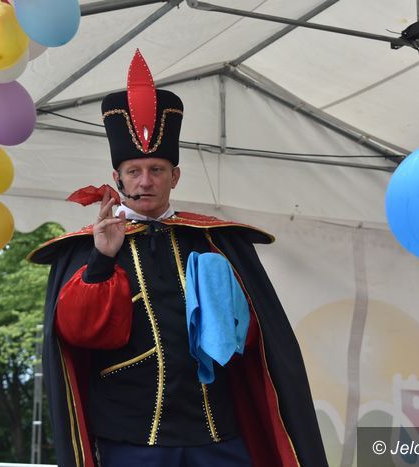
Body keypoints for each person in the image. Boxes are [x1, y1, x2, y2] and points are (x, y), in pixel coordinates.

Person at [28, 50, 328, 467]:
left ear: (175, 176)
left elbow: (255, 339)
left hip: (217, 434)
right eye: (134, 171)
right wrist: (101, 260)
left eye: (157, 169)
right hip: (130, 438)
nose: (145, 181)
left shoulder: (216, 240)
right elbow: (78, 334)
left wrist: (232, 312)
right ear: (117, 178)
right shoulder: (86, 246)